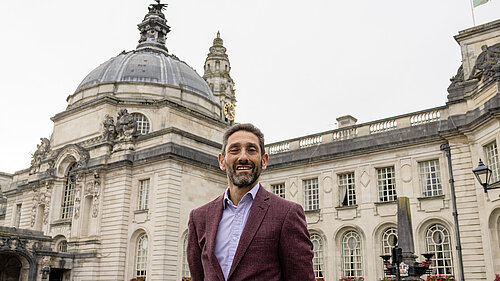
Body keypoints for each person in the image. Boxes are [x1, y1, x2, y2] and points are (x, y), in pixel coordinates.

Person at [187, 123, 314, 281]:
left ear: (264, 160)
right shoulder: (199, 217)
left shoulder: (287, 213)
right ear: (221, 161)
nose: (243, 157)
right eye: (234, 150)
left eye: (251, 150)